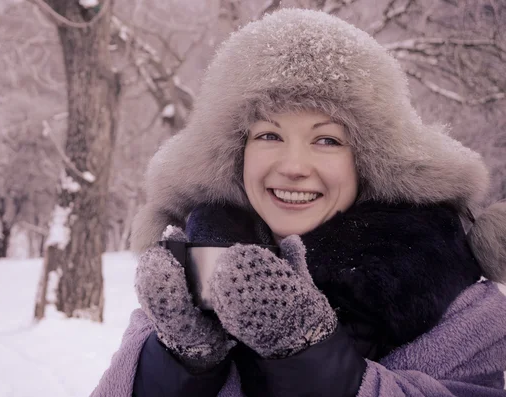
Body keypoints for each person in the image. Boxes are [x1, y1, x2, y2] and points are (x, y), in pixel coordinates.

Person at [90, 8, 506, 397]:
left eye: (327, 140)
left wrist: (307, 353)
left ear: (369, 162)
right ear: (237, 155)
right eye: (269, 135)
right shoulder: (192, 271)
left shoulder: (458, 297)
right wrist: (179, 362)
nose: (293, 166)